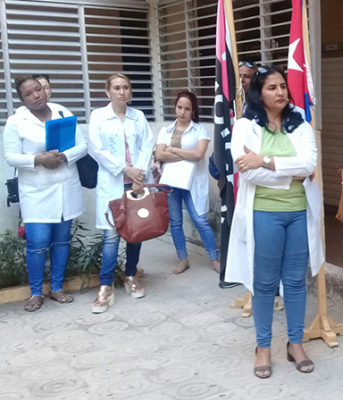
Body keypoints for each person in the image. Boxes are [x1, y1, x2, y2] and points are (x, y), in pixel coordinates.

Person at [225, 65, 323, 378]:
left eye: (283, 86)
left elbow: (309, 164)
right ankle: (263, 347)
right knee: (264, 282)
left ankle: (295, 343)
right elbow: (247, 170)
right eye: (272, 88)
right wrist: (289, 174)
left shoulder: (300, 123)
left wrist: (266, 160)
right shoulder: (245, 125)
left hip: (298, 213)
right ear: (259, 92)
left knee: (295, 280)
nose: (280, 92)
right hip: (263, 213)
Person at [3, 76, 87, 312]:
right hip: (36, 191)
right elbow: (10, 156)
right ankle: (36, 292)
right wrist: (39, 159)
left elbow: (82, 145)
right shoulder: (16, 121)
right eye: (29, 93)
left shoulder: (61, 112)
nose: (36, 95)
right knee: (38, 242)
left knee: (61, 241)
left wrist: (64, 157)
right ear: (22, 99)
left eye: (38, 89)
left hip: (65, 187)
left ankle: (57, 288)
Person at [88, 73, 154, 314]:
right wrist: (124, 168)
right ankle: (105, 286)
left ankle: (130, 275)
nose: (122, 92)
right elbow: (97, 148)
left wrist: (139, 175)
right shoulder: (98, 116)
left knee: (135, 233)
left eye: (126, 87)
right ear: (108, 92)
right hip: (113, 182)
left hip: (135, 183)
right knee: (111, 235)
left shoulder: (138, 116)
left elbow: (147, 144)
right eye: (116, 88)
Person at [154, 91, 220, 274]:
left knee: (200, 220)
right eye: (179, 107)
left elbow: (198, 154)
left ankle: (214, 258)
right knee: (175, 221)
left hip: (192, 182)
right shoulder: (165, 131)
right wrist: (185, 154)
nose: (182, 112)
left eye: (187, 109)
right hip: (171, 181)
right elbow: (159, 154)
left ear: (193, 111)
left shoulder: (200, 130)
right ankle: (183, 258)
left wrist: (173, 151)